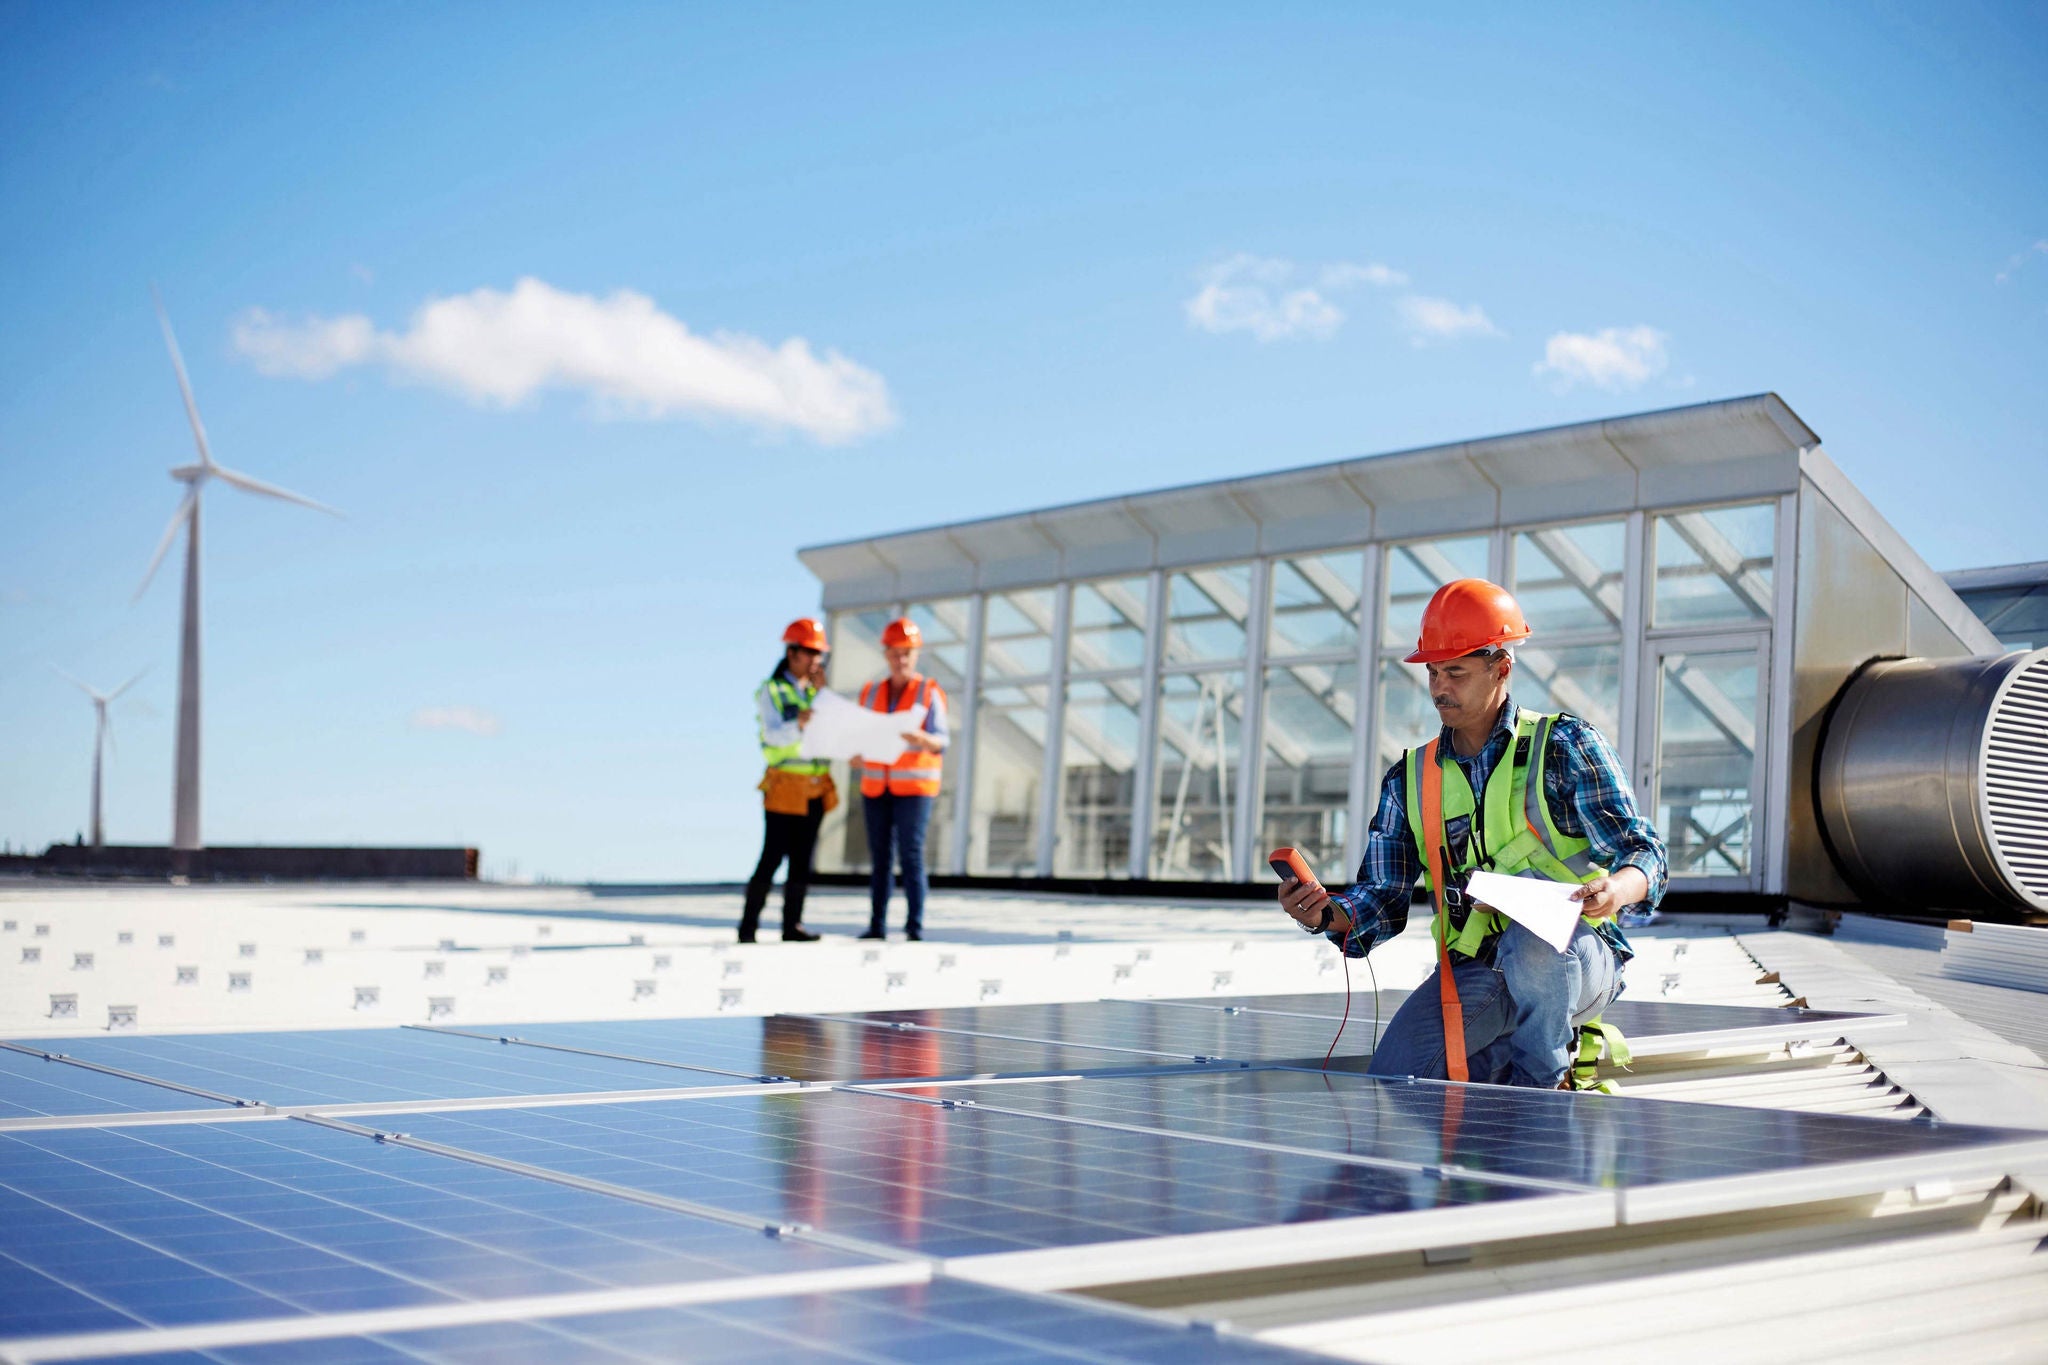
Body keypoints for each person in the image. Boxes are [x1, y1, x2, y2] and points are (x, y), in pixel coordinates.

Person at [1278, 578, 1667, 1089]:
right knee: (1397, 1077)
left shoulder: (1565, 746)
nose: (1440, 687)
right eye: (1434, 672)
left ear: (1500, 668)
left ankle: (1545, 1088)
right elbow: (1382, 896)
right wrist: (1327, 913)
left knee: (1536, 945)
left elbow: (1645, 854)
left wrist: (1617, 888)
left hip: (1577, 959)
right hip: (1478, 969)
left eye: (1455, 672)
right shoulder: (1412, 778)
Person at [850, 617, 949, 940]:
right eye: (895, 653)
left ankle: (914, 928)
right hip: (877, 785)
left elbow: (941, 740)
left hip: (915, 787)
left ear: (915, 653)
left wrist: (921, 738)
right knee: (880, 858)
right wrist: (855, 753)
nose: (901, 659)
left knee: (911, 855)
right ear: (886, 654)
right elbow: (858, 736)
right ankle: (877, 926)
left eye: (906, 652)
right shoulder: (869, 692)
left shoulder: (928, 692)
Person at [738, 618, 836, 944]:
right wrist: (802, 723)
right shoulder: (773, 690)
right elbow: (775, 736)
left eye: (819, 654)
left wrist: (823, 699)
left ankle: (792, 925)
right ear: (792, 652)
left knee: (802, 861)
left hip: (814, 788)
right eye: (810, 653)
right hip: (784, 786)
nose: (816, 661)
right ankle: (748, 926)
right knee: (772, 856)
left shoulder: (817, 693)